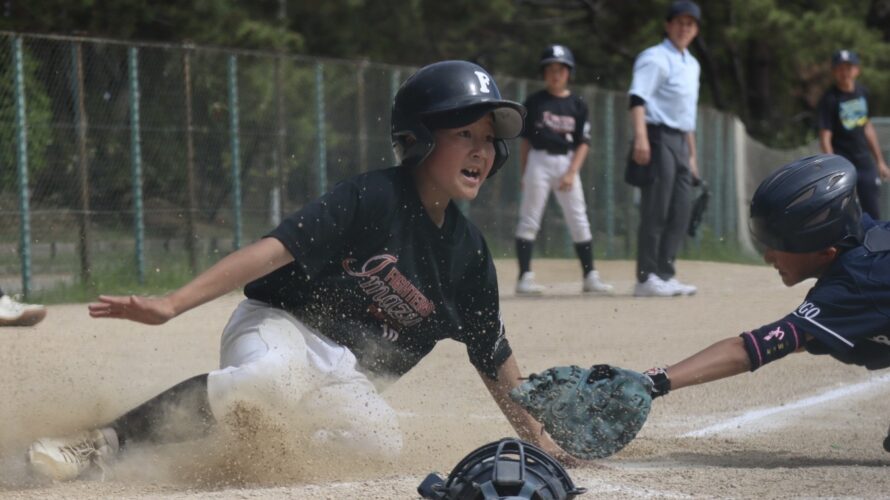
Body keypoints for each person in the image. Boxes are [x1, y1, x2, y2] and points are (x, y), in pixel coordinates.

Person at [25, 60, 573, 482]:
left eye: (487, 139)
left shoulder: (469, 254)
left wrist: (542, 443)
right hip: (279, 323)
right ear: (420, 138)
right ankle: (103, 443)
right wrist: (172, 304)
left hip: (346, 373)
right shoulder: (371, 196)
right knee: (268, 381)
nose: (481, 150)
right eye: (464, 135)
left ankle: (234, 446)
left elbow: (491, 353)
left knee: (378, 443)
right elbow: (271, 250)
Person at [640, 154, 890, 450]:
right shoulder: (866, 237)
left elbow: (754, 348)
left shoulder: (859, 280)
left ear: (826, 252)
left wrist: (654, 382)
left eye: (780, 246)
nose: (768, 257)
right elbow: (796, 338)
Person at [514, 44, 613, 295]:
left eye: (560, 69)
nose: (555, 74)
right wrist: (525, 172)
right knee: (530, 218)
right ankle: (524, 277)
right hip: (539, 160)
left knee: (578, 218)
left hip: (567, 162)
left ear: (569, 72)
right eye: (550, 69)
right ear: (544, 72)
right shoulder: (535, 102)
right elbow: (525, 141)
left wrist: (572, 172)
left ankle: (590, 275)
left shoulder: (577, 104)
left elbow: (584, 142)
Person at [627, 0, 702, 297]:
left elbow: (688, 116)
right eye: (680, 22)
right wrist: (641, 138)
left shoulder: (692, 63)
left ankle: (665, 273)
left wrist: (693, 155)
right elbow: (637, 99)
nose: (685, 28)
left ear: (695, 30)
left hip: (681, 140)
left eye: (690, 24)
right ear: (668, 25)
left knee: (680, 209)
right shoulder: (655, 57)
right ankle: (646, 278)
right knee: (656, 208)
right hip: (656, 136)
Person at [817, 49, 890, 219]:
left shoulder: (863, 93)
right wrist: (833, 167)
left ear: (857, 70)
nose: (845, 72)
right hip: (843, 163)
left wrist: (880, 162)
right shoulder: (829, 99)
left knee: (872, 213)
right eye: (840, 68)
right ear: (834, 72)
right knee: (846, 213)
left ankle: (874, 245)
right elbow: (825, 136)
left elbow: (867, 126)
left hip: (865, 163)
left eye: (848, 68)